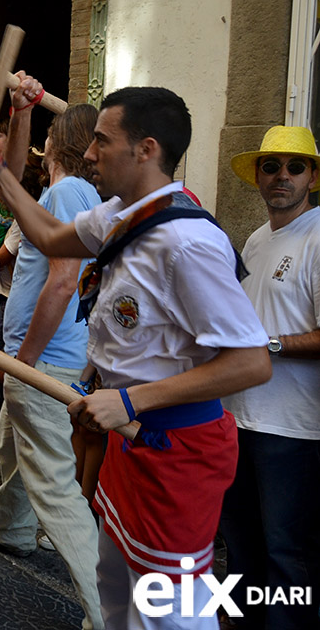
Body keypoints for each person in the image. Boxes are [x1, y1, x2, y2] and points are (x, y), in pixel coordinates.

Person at [0, 86, 271, 630]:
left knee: (168, 610)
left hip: (175, 450)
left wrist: (129, 399)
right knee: (120, 589)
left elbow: (250, 363)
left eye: (102, 142)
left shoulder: (186, 242)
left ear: (146, 149)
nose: (87, 154)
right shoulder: (119, 216)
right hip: (131, 442)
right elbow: (50, 235)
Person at [0, 78, 104, 630]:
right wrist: (20, 114)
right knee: (15, 446)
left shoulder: (70, 193)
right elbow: (9, 192)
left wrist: (22, 358)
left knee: (52, 480)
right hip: (50, 355)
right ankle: (11, 529)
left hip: (42, 358)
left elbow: (64, 280)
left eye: (45, 134)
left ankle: (109, 607)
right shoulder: (75, 195)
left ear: (58, 143)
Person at [219, 126, 320, 628]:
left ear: (313, 177)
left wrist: (269, 346)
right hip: (238, 419)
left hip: (293, 430)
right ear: (257, 176)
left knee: (286, 553)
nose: (282, 176)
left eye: (295, 167)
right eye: (271, 166)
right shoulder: (257, 239)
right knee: (240, 545)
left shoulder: (319, 238)